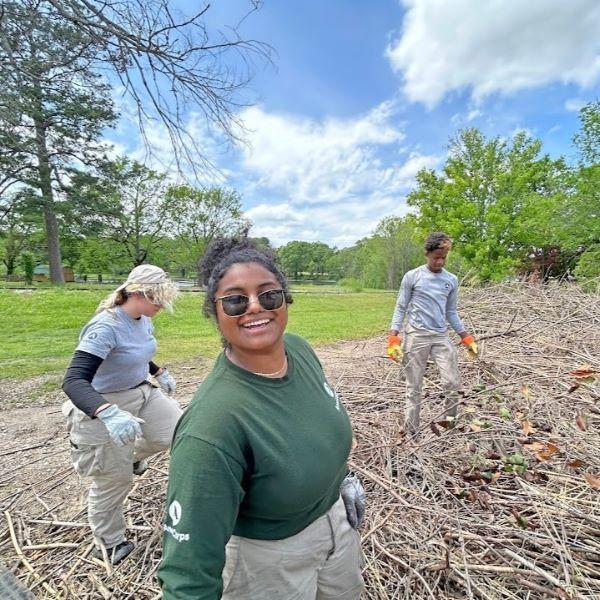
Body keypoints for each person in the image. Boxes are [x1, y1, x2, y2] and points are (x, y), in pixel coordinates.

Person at [158, 236, 365, 600]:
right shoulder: (213, 425)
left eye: (268, 295)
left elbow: (312, 430)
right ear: (215, 312)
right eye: (236, 300)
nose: (255, 307)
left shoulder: (299, 350)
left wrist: (338, 484)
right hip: (269, 561)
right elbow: (188, 567)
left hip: (337, 529)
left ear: (285, 299)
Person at [61, 264, 183, 564]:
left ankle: (131, 456)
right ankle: (110, 541)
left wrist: (158, 371)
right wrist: (106, 412)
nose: (161, 307)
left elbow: (135, 351)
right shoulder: (106, 327)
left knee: (181, 430)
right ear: (139, 294)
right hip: (102, 403)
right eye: (158, 299)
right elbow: (74, 380)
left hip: (141, 392)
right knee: (113, 479)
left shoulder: (142, 319)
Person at [387, 232, 477, 438]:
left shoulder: (451, 280)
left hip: (440, 336)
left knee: (452, 383)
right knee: (414, 386)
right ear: (427, 254)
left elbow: (451, 312)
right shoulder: (412, 276)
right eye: (436, 256)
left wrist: (465, 337)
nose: (440, 261)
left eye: (444, 257)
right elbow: (401, 307)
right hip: (416, 336)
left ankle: (450, 427)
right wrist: (393, 336)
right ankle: (412, 433)